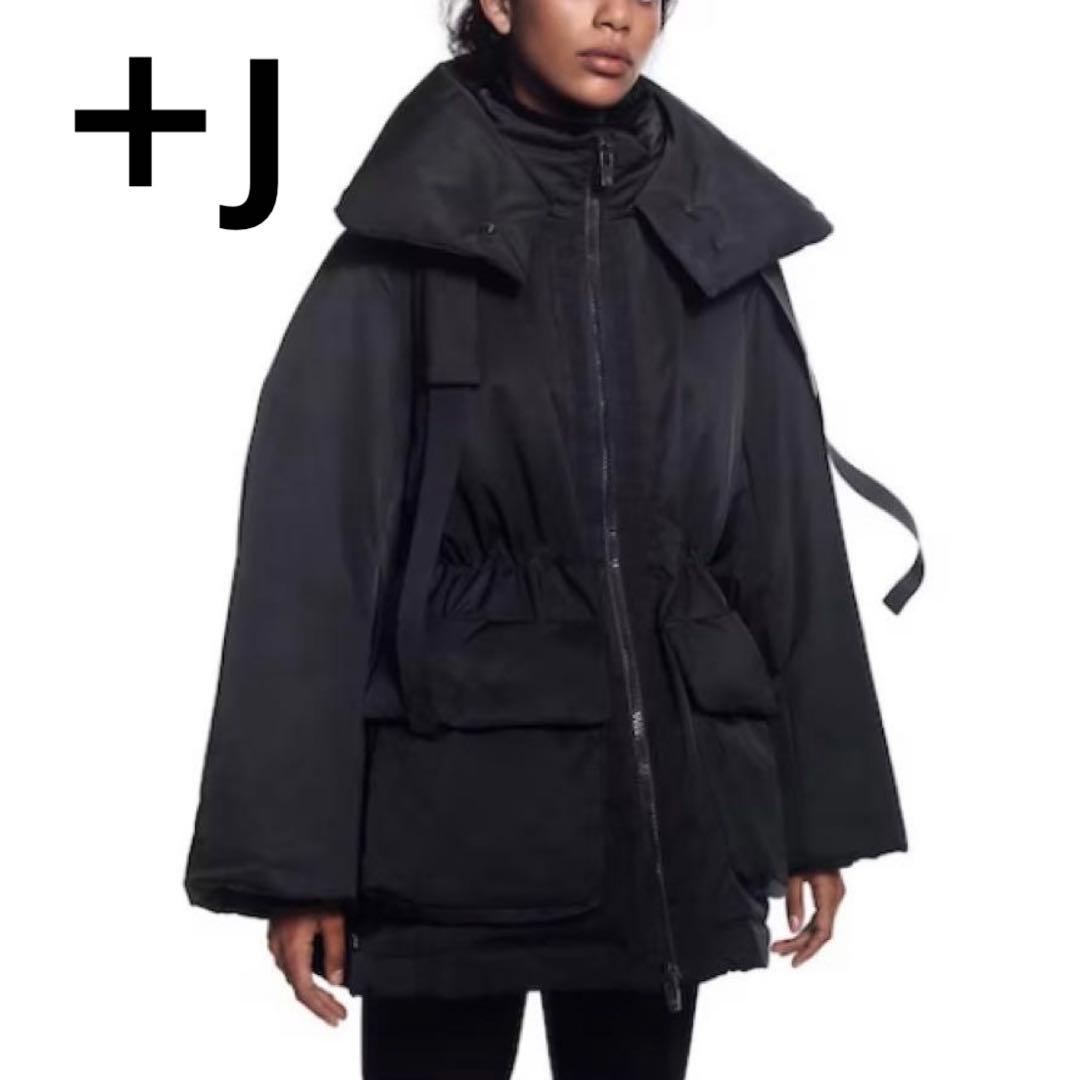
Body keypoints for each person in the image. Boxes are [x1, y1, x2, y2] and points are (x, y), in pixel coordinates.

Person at [184, 2, 920, 1076]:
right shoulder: (405, 244)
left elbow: (788, 534)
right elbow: (310, 560)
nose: (618, 15)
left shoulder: (719, 236)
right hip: (449, 816)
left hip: (668, 812)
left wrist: (821, 816)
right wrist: (296, 866)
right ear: (496, 3)